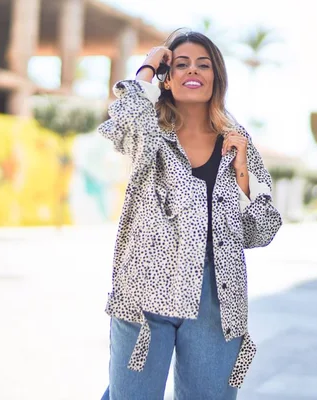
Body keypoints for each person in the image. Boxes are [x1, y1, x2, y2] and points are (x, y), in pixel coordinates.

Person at [99, 28, 282, 400]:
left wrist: (242, 171)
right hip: (145, 295)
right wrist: (150, 64)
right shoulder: (150, 134)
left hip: (217, 300)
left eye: (203, 64)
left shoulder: (237, 141)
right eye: (180, 65)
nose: (192, 71)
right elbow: (125, 114)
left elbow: (261, 231)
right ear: (167, 79)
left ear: (216, 77)